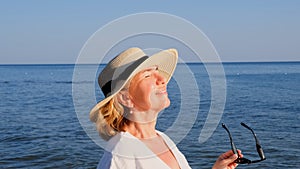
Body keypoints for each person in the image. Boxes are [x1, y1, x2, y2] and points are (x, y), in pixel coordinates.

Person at [89, 47, 243, 169]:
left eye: (157, 71)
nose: (162, 79)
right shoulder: (121, 153)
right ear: (125, 98)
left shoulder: (163, 139)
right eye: (147, 75)